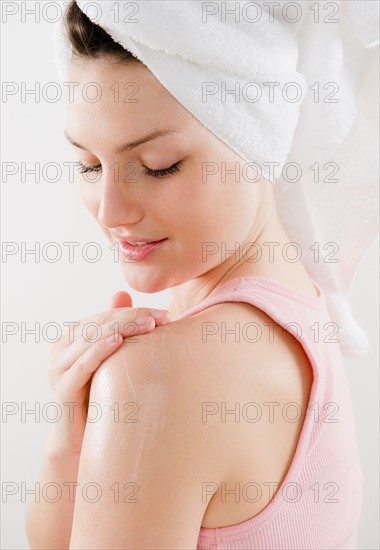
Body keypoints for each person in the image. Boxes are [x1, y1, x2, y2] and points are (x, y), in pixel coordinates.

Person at [26, 1, 364, 549]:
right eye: (89, 165)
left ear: (257, 136)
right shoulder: (302, 298)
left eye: (159, 165)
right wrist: (71, 436)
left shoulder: (162, 379)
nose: (110, 211)